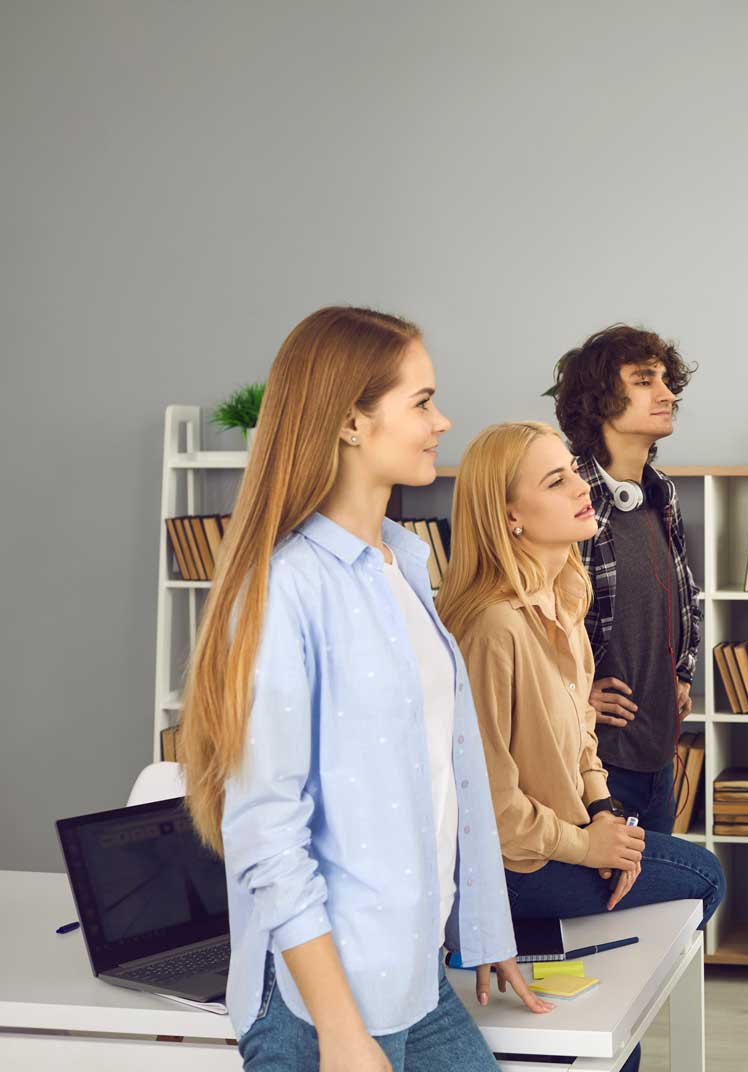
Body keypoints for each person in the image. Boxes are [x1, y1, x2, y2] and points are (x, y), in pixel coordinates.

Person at [179, 307, 545, 1072]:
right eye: (421, 402)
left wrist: (486, 933)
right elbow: (266, 829)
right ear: (350, 421)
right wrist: (342, 1033)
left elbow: (451, 772)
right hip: (323, 1004)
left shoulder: (405, 564)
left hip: (414, 975)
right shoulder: (286, 587)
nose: (442, 421)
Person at [439, 420, 726, 1072]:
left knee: (635, 925)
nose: (581, 486)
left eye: (573, 469)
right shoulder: (492, 626)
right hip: (503, 866)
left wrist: (603, 814)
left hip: (559, 836)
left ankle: (582, 1007)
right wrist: (584, 845)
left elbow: (579, 737)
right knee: (703, 878)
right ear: (509, 516)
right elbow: (487, 804)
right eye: (555, 479)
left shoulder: (566, 590)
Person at [549, 325, 703, 834]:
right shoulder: (569, 502)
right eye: (644, 380)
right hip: (596, 762)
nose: (667, 394)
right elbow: (527, 633)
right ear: (598, 402)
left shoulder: (662, 497)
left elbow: (686, 601)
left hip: (659, 754)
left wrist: (682, 673)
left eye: (665, 379)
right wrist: (573, 694)